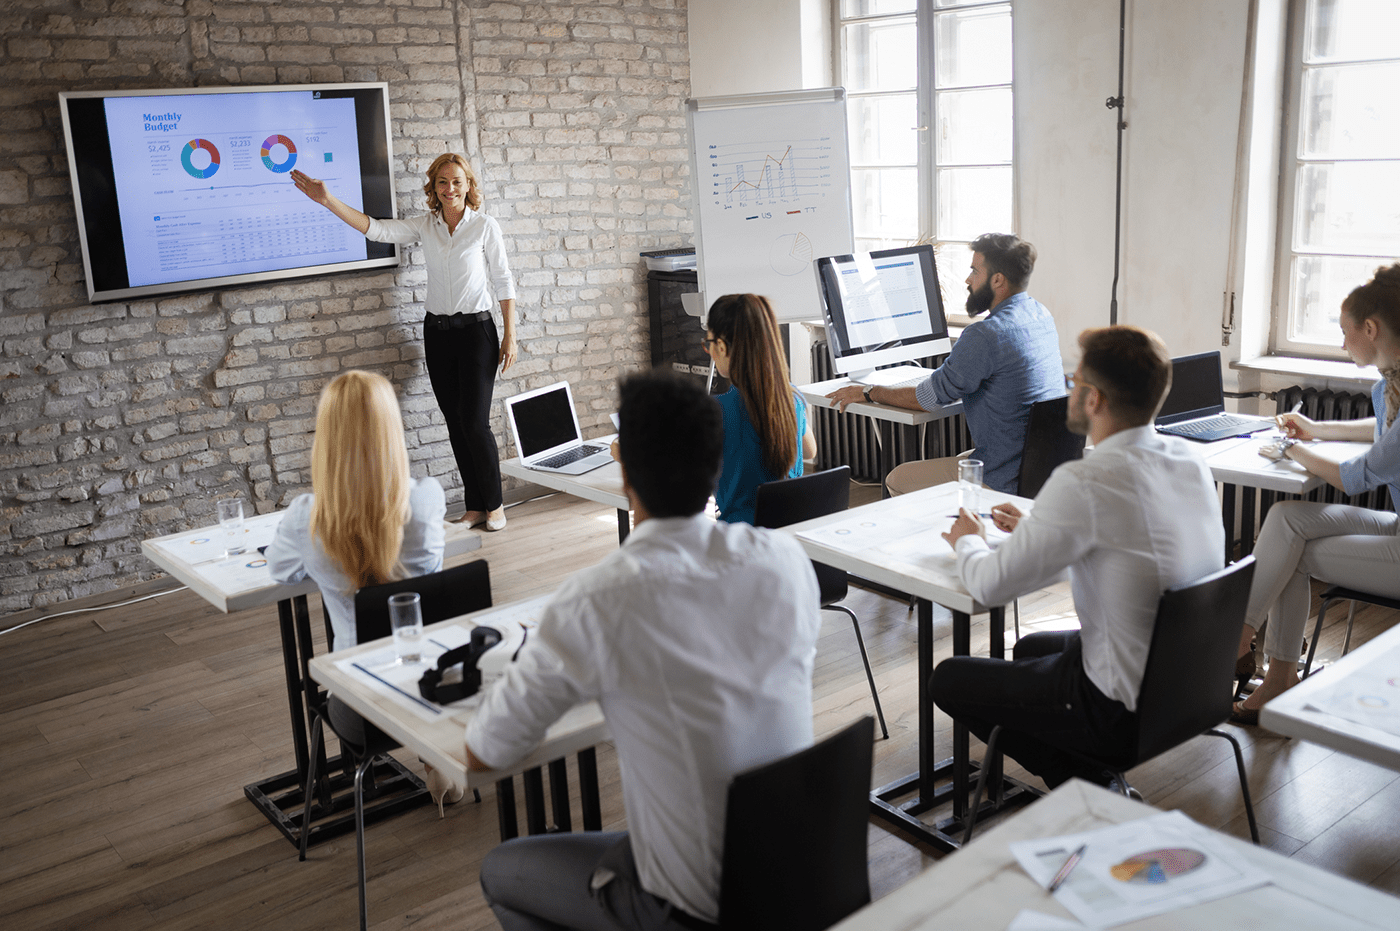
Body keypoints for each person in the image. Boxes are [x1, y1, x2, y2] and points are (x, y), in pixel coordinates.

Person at [469, 371, 821, 931]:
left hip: (695, 906)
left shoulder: (597, 599)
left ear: (626, 473)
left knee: (499, 871)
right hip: (800, 875)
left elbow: (486, 752)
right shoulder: (785, 560)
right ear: (717, 465)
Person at [932, 326, 1223, 788]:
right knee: (1029, 649)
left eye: (1074, 381)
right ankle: (1088, 778)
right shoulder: (1190, 462)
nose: (1068, 389)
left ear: (1094, 399)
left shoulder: (1086, 480)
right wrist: (1040, 528)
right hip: (1191, 685)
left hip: (1119, 712)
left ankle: (1091, 784)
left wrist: (968, 539)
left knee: (948, 679)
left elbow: (988, 586)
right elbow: (1129, 550)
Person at [290, 153, 516, 531]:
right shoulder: (426, 226)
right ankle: (475, 506)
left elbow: (504, 280)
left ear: (468, 186)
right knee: (455, 423)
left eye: (457, 181)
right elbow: (377, 230)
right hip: (437, 334)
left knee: (475, 423)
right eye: (442, 182)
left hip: (477, 333)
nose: (449, 188)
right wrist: (327, 200)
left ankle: (495, 505)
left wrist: (510, 335)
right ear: (434, 187)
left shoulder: (484, 226)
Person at [264, 371, 453, 806]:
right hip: (439, 690)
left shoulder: (306, 517)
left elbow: (280, 570)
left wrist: (325, 564)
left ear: (327, 438)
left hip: (362, 713)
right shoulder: (427, 499)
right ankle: (433, 753)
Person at [1229, 264, 1400, 725]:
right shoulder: (1390, 383)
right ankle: (1243, 639)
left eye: (1345, 332)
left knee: (1292, 554)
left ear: (1371, 328)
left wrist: (1292, 449)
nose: (1343, 344)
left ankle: (1265, 669)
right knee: (1287, 517)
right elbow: (1385, 431)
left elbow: (1357, 476)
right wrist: (1316, 428)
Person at [826, 233, 1063, 494]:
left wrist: (869, 392)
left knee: (897, 478)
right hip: (1040, 469)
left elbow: (926, 399)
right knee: (962, 457)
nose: (968, 279)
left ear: (998, 280)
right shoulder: (1040, 315)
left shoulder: (985, 335)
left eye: (975, 271)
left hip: (1003, 476)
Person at [703, 293, 818, 525]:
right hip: (789, 533)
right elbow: (809, 452)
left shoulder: (716, 412)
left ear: (722, 347)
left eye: (709, 344)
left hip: (739, 538)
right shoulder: (793, 398)